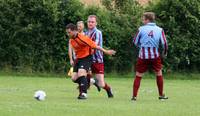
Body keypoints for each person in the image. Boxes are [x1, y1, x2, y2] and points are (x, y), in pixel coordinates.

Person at [66, 23, 116, 99]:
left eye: (69, 32)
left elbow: (96, 46)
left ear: (74, 31)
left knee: (82, 74)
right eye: (67, 32)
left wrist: (106, 51)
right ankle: (90, 81)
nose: (68, 34)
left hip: (86, 58)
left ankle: (84, 94)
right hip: (78, 59)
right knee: (74, 78)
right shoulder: (71, 39)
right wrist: (72, 59)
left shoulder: (83, 38)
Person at [132, 12, 168, 101]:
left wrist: (141, 47)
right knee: (159, 74)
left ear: (147, 20)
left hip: (143, 56)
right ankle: (161, 96)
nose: (142, 20)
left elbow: (135, 41)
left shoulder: (141, 29)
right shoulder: (160, 29)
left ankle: (134, 97)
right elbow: (165, 43)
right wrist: (165, 52)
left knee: (138, 75)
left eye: (143, 19)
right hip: (155, 56)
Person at [85, 15, 114, 98]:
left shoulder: (98, 33)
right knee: (84, 75)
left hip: (97, 60)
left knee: (101, 84)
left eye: (92, 22)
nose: (90, 23)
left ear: (96, 23)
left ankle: (108, 89)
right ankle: (83, 93)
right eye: (89, 21)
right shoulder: (85, 33)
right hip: (87, 59)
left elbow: (94, 45)